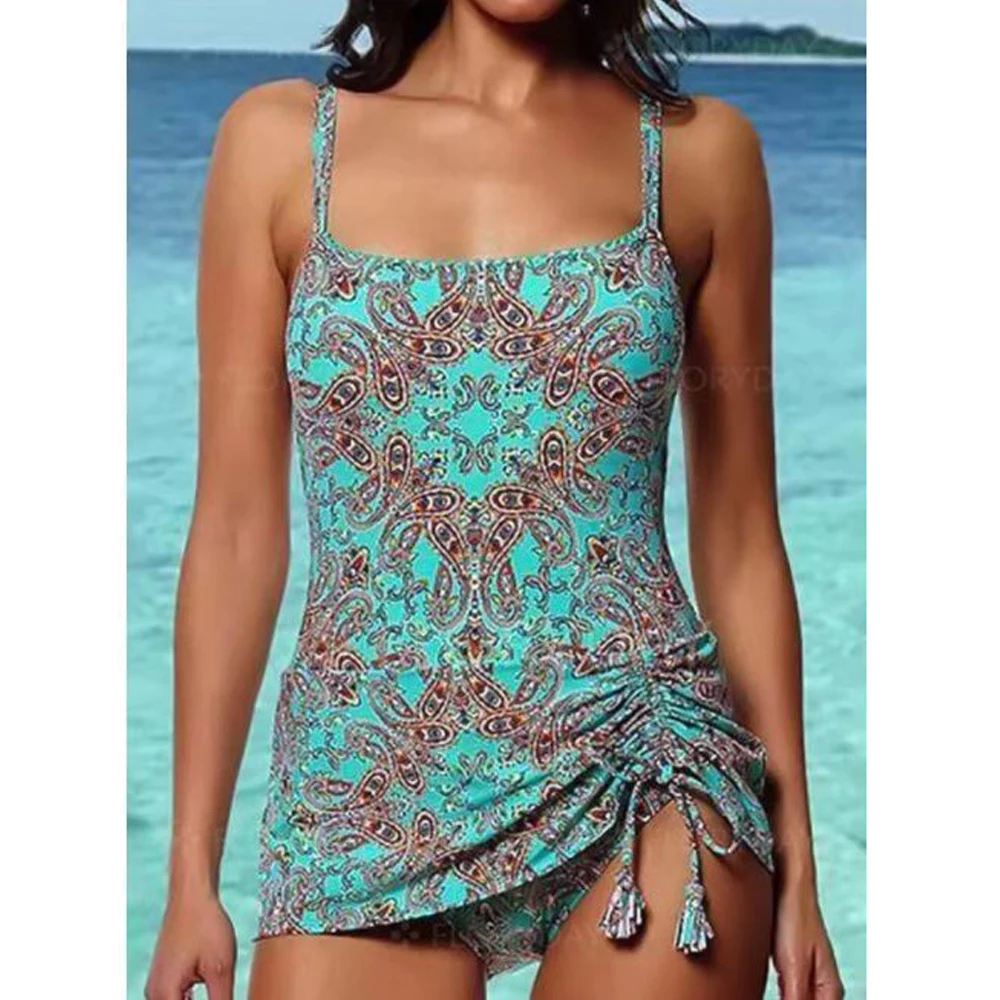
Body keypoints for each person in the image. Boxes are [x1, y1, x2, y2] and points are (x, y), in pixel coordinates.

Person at [145, 2, 843, 998]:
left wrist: (800, 865)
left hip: (640, 761)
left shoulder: (699, 157)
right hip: (362, 786)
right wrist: (191, 874)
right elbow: (234, 532)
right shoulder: (279, 148)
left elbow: (738, 538)